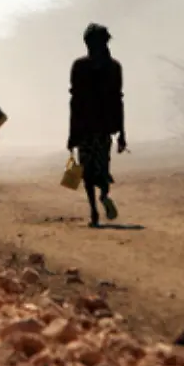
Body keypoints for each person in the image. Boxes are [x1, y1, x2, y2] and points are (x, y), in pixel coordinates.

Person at [68, 23, 128, 228]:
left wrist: (71, 133)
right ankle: (101, 197)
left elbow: (75, 102)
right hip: (103, 127)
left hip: (86, 127)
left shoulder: (80, 66)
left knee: (87, 170)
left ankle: (94, 207)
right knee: (101, 167)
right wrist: (121, 133)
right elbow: (118, 100)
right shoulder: (114, 67)